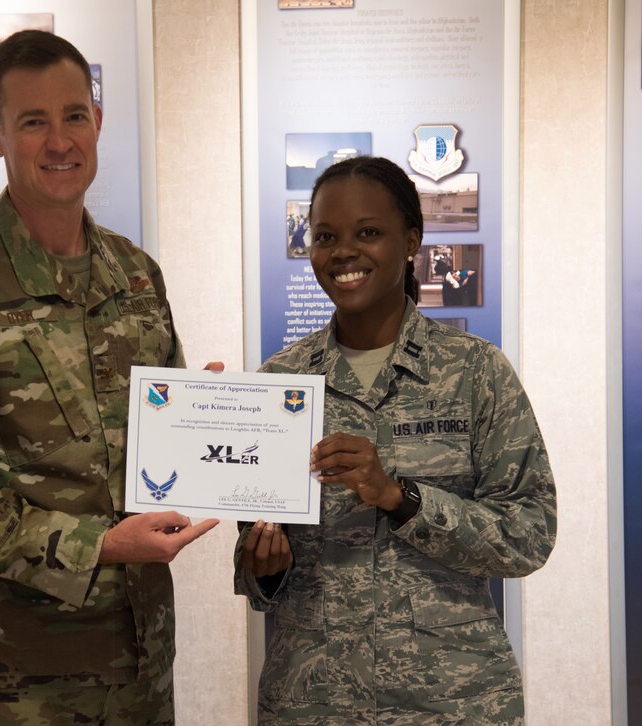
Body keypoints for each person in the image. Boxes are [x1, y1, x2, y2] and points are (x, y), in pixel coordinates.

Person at [0, 30, 217, 724]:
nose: (60, 141)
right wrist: (97, 547)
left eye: (73, 116)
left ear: (98, 122)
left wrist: (208, 415)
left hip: (142, 658)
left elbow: (161, 447)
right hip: (17, 678)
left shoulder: (136, 273)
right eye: (33, 122)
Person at [234, 156, 557, 723]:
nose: (343, 252)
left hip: (452, 702)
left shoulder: (475, 373)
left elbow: (528, 534)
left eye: (368, 233)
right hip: (313, 703)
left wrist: (401, 497)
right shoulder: (280, 383)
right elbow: (259, 568)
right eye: (325, 236)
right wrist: (264, 567)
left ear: (411, 241)